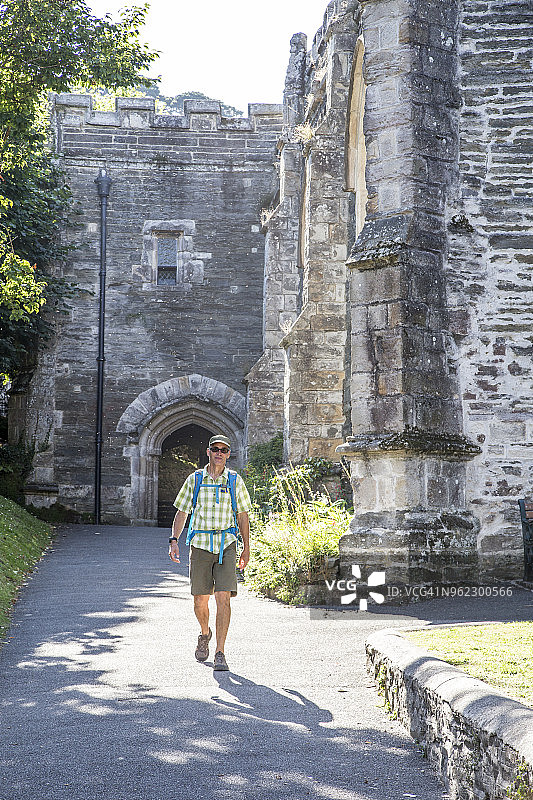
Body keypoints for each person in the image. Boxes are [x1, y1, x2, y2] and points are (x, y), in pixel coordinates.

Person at [168, 434, 251, 672]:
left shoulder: (234, 481)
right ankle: (205, 633)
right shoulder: (195, 480)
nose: (219, 453)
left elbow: (243, 515)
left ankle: (220, 652)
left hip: (226, 544)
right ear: (208, 452)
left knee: (223, 598)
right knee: (199, 600)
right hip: (201, 544)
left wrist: (246, 547)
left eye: (224, 450)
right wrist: (174, 540)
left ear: (228, 455)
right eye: (215, 449)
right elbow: (182, 512)